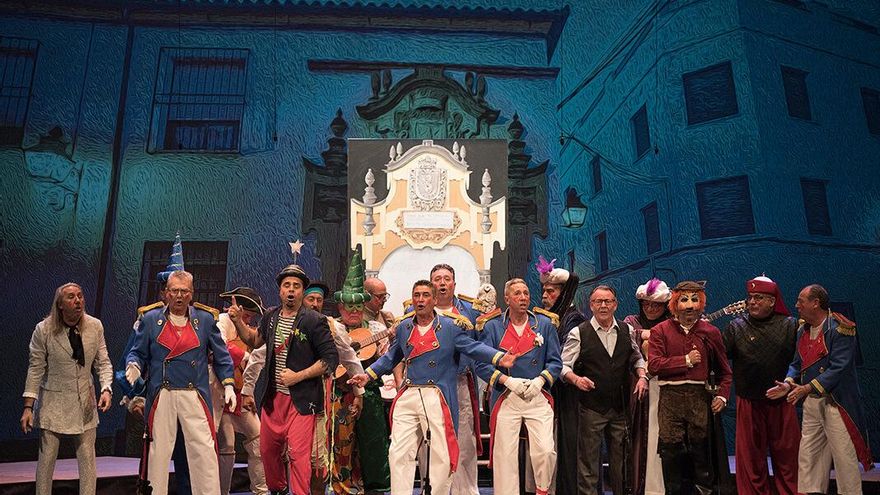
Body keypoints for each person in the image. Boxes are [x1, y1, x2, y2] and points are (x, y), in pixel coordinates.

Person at [348, 280, 517, 495]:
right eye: (416, 295)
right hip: (409, 393)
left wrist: (499, 358)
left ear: (435, 300)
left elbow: (473, 347)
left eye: (425, 295)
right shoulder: (404, 327)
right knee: (398, 452)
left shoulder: (451, 327)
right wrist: (367, 375)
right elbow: (392, 356)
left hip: (437, 395)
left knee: (441, 455)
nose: (420, 300)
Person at [231, 264, 339, 495]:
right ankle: (278, 490)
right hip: (273, 399)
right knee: (267, 451)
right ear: (280, 290)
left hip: (302, 401)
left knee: (298, 455)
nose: (291, 290)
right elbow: (255, 341)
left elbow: (330, 359)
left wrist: (298, 376)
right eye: (287, 285)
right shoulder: (271, 317)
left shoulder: (314, 320)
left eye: (296, 286)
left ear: (302, 291)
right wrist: (239, 322)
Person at [125, 270, 235, 495]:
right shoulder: (150, 319)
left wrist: (229, 384)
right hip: (162, 392)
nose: (179, 296)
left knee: (203, 451)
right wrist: (133, 365)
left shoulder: (205, 319)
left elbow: (222, 356)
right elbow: (137, 351)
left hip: (194, 393)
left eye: (184, 291)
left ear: (192, 293)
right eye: (174, 291)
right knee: (157, 452)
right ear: (166, 293)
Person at [768, 284, 873, 495]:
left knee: (844, 458)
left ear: (815, 303)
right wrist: (788, 383)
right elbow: (797, 363)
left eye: (801, 301)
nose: (796, 305)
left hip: (837, 402)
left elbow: (838, 368)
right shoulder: (803, 330)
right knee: (809, 456)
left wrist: (807, 388)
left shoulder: (840, 329)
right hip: (812, 402)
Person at [22, 283, 113, 495]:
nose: (78, 300)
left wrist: (106, 389)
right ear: (60, 304)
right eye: (71, 297)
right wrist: (28, 407)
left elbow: (103, 362)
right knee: (46, 460)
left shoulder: (95, 326)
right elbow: (35, 369)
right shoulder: (44, 329)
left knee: (88, 459)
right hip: (53, 403)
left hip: (84, 402)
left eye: (80, 296)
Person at [474, 278, 562, 495]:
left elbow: (555, 362)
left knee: (546, 451)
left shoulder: (544, 324)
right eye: (517, 294)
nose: (523, 298)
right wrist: (507, 381)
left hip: (536, 395)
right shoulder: (492, 326)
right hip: (506, 396)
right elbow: (481, 364)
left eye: (526, 293)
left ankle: (542, 490)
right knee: (505, 456)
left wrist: (540, 381)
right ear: (507, 299)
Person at [560, 285, 648, 495]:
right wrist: (576, 380)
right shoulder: (579, 332)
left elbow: (636, 357)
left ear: (615, 305)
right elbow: (562, 366)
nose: (603, 305)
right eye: (598, 301)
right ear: (591, 305)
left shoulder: (626, 330)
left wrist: (642, 376)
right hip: (592, 407)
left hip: (619, 407)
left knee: (621, 465)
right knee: (588, 464)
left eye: (608, 301)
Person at [647, 280, 732, 495]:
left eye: (695, 300)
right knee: (671, 453)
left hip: (698, 398)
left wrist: (722, 396)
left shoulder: (710, 332)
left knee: (701, 453)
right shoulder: (660, 331)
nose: (690, 305)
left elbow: (725, 371)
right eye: (684, 300)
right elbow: (654, 365)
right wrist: (684, 360)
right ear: (675, 304)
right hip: (670, 398)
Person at [721, 276, 799, 495]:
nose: (752, 302)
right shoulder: (736, 326)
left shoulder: (791, 325)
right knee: (751, 459)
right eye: (750, 297)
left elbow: (800, 361)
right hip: (748, 401)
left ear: (772, 301)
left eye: (758, 298)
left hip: (782, 401)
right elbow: (719, 357)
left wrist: (790, 385)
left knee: (788, 457)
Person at [428, 263, 487, 495]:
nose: (442, 283)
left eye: (446, 279)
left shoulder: (470, 311)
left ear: (454, 283)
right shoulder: (418, 309)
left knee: (464, 441)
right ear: (430, 284)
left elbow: (483, 346)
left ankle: (466, 491)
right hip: (429, 386)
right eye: (437, 279)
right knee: (432, 441)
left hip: (460, 383)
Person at [535, 255, 585, 495]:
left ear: (564, 293)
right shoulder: (546, 319)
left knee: (566, 446)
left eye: (551, 291)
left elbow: (562, 359)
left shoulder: (573, 320)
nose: (545, 296)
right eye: (544, 291)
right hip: (548, 391)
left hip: (566, 395)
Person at [214, 287, 269, 495]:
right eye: (246, 315)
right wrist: (246, 357)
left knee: (258, 439)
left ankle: (260, 491)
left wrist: (249, 393)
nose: (248, 320)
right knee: (227, 446)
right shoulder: (221, 321)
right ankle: (221, 492)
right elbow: (218, 347)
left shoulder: (250, 331)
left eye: (250, 317)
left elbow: (257, 361)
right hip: (221, 393)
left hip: (240, 394)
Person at [623, 278, 672, 495]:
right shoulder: (632, 321)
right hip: (638, 386)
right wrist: (644, 333)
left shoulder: (671, 324)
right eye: (646, 304)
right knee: (638, 436)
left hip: (665, 387)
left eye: (656, 305)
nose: (650, 309)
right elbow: (624, 335)